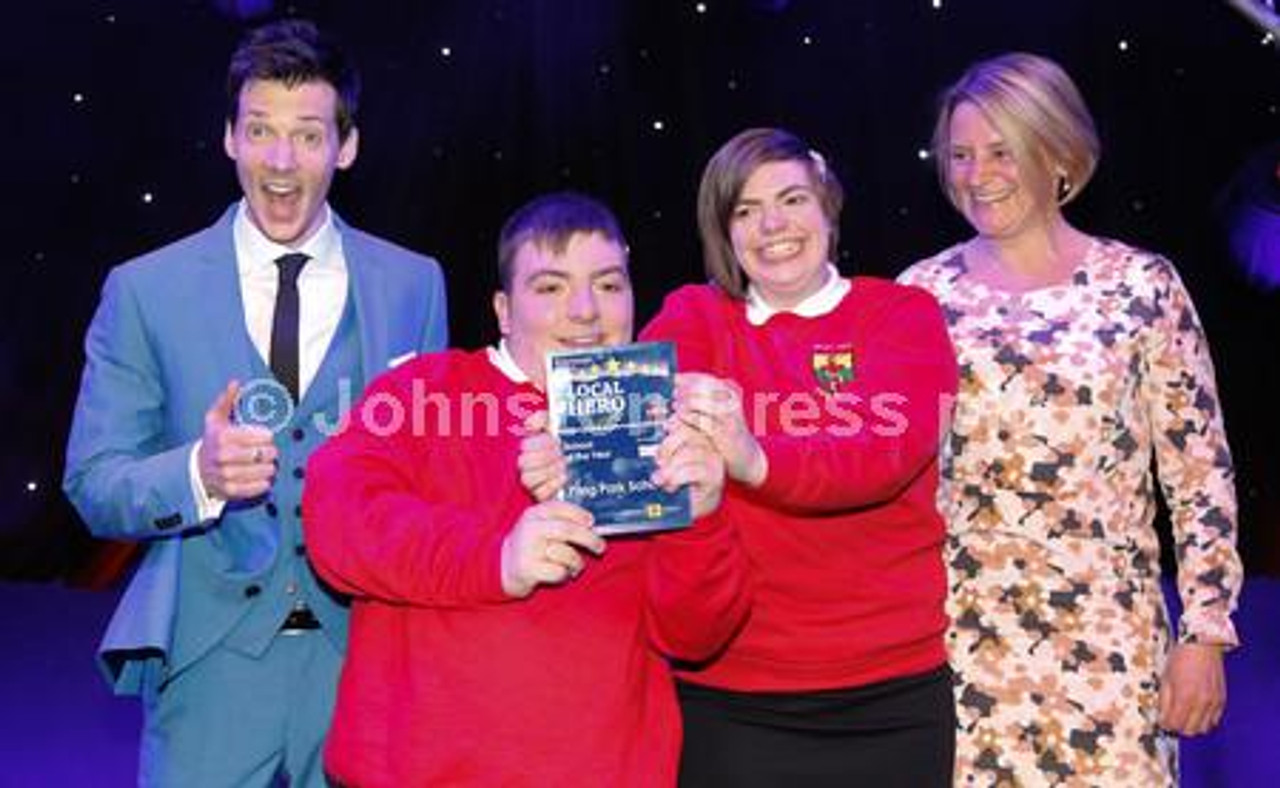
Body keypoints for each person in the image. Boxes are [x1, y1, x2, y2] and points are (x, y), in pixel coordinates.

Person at [63, 19, 448, 788]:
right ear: (229, 139)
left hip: (361, 655)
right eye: (260, 130)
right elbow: (93, 482)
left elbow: (431, 474)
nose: (281, 160)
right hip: (211, 660)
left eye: (307, 135)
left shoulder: (414, 284)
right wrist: (198, 473)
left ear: (346, 147)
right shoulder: (145, 290)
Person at [301, 191, 750, 787]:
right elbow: (337, 522)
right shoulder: (426, 390)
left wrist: (703, 520)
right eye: (550, 287)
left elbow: (698, 634)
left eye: (610, 284)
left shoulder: (661, 427)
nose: (586, 310)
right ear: (504, 310)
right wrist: (496, 558)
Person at [897, 52, 1243, 786]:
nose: (976, 173)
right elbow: (888, 474)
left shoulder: (1141, 287)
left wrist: (1205, 635)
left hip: (1111, 653)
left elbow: (1199, 472)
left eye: (1001, 151)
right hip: (963, 655)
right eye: (960, 154)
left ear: (1057, 153)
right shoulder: (917, 297)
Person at [637, 127, 959, 786]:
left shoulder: (900, 315)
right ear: (721, 231)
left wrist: (750, 457)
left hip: (892, 696)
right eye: (745, 211)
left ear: (828, 209)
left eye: (792, 200)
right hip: (733, 703)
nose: (772, 226)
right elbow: (640, 441)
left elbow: (881, 451)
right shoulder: (693, 318)